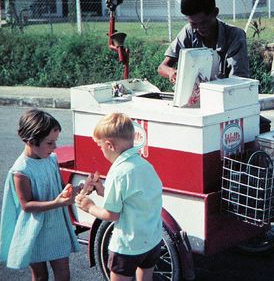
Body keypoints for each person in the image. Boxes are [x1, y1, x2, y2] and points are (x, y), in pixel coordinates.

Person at [75, 113, 163, 281]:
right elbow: (132, 197)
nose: (101, 150)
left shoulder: (118, 173)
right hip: (152, 240)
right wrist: (102, 189)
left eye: (100, 146)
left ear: (109, 145)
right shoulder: (145, 165)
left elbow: (111, 215)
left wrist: (89, 206)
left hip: (127, 246)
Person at [0, 109, 80, 280]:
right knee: (40, 275)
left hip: (55, 226)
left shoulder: (51, 159)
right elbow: (26, 205)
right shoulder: (21, 170)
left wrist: (78, 189)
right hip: (33, 230)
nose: (55, 147)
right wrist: (58, 203)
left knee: (63, 271)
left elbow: (60, 187)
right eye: (50, 143)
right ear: (31, 141)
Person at [158, 0, 250, 84]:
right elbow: (162, 67)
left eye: (203, 23)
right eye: (193, 24)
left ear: (215, 13)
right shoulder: (188, 32)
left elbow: (238, 81)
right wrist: (171, 72)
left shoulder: (235, 36)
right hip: (196, 96)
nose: (198, 28)